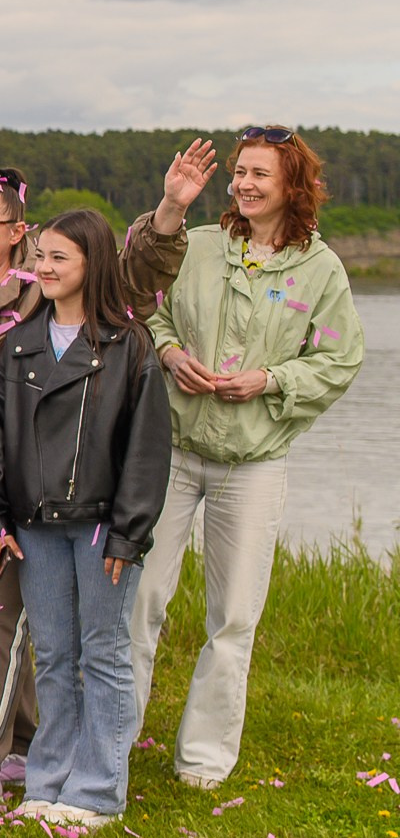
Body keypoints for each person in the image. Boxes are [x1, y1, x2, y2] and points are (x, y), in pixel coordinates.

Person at [0, 154, 202, 809]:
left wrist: (168, 211)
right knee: (4, 632)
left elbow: (128, 277)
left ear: (16, 229)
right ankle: (31, 747)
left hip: (32, 500)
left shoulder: (42, 294)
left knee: (4, 630)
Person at [132, 127, 365, 790]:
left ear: (295, 185)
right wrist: (171, 354)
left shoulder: (320, 269)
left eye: (261, 173)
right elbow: (142, 306)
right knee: (140, 598)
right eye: (240, 171)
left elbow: (341, 359)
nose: (245, 183)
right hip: (172, 453)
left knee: (233, 615)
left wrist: (273, 381)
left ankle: (202, 763)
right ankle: (111, 738)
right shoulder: (198, 247)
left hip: (253, 464)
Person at [0, 209, 173, 832]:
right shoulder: (19, 343)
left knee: (105, 655)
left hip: (100, 528)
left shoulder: (129, 345)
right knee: (55, 656)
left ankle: (98, 792)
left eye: (59, 257)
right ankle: (48, 779)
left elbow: (147, 450)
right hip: (34, 525)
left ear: (94, 262)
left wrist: (129, 533)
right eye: (40, 256)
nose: (44, 267)